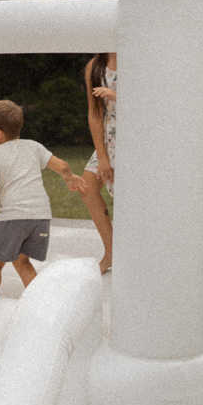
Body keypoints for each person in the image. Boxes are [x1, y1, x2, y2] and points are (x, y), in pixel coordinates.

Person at [0, 100, 86, 296]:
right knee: (22, 260)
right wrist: (70, 178)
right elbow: (61, 165)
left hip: (13, 218)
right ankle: (38, 300)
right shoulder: (33, 146)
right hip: (41, 217)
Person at [79, 52, 117, 274]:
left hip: (137, 139)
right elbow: (94, 113)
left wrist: (115, 95)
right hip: (109, 138)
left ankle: (133, 255)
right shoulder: (95, 65)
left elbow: (153, 101)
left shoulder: (137, 58)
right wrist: (102, 157)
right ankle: (111, 251)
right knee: (88, 186)